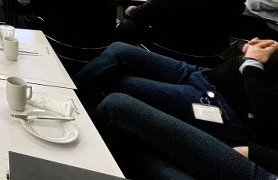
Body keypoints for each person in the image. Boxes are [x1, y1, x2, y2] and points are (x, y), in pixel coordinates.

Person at [75, 38, 278, 151]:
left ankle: (71, 107)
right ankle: (70, 91)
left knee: (118, 83)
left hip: (223, 109)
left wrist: (252, 62)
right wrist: (248, 49)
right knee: (120, 50)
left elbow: (266, 108)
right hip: (207, 75)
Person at [94, 93, 278, 180]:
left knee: (129, 147)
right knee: (116, 105)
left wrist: (251, 66)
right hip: (265, 177)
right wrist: (256, 152)